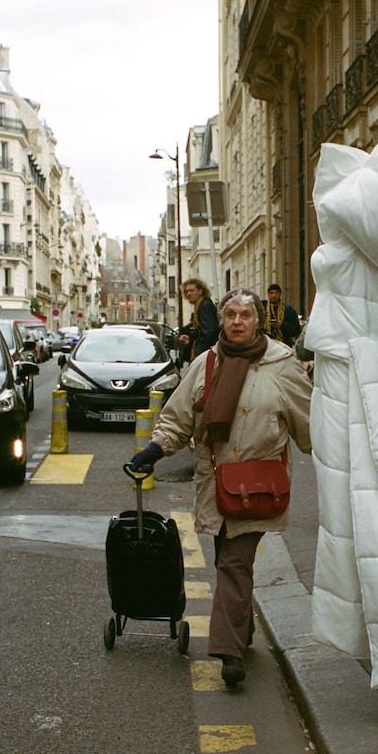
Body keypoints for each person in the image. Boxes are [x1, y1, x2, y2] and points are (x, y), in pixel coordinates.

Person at [127, 288, 313, 688]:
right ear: (223, 319)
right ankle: (241, 630)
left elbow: (310, 424)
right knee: (226, 559)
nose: (237, 322)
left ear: (258, 321)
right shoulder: (205, 363)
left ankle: (229, 653)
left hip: (261, 486)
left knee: (233, 561)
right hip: (216, 482)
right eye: (231, 314)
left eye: (246, 314)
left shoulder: (282, 364)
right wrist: (155, 450)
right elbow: (178, 417)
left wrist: (344, 463)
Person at [174, 278, 219, 364]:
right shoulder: (199, 305)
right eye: (187, 291)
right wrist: (189, 339)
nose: (189, 294)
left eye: (192, 290)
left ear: (200, 291)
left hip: (205, 356)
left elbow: (209, 331)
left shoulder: (204, 305)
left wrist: (199, 353)